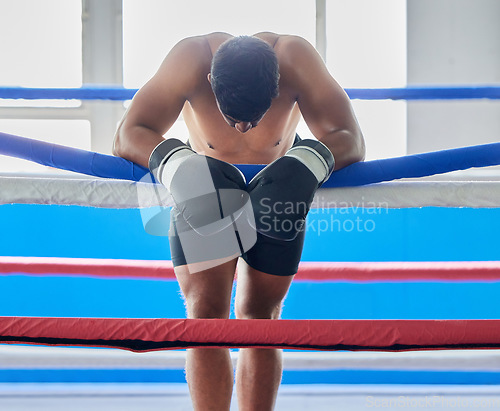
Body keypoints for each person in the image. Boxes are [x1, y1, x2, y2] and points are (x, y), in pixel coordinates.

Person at [113, 32, 365, 411]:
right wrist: (178, 164)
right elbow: (128, 133)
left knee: (259, 317)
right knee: (205, 314)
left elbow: (350, 137)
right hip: (207, 188)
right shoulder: (190, 59)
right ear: (211, 84)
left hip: (278, 186)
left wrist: (306, 164)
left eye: (255, 118)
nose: (244, 129)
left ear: (277, 84)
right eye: (233, 118)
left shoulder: (295, 57)